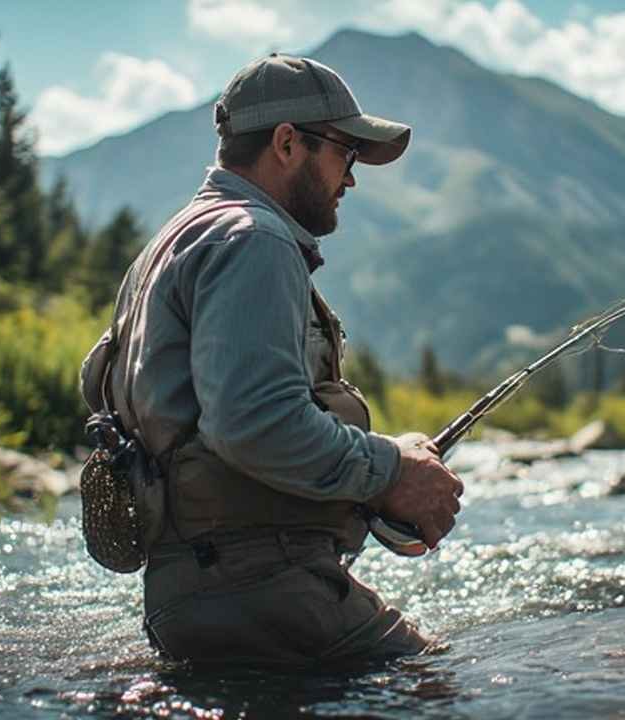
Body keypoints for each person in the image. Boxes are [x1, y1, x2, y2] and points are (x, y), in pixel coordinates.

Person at [83, 54, 464, 667]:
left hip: (186, 598)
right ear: (288, 142)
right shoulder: (254, 239)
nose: (353, 177)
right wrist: (392, 469)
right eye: (345, 152)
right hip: (263, 587)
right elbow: (254, 423)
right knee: (441, 682)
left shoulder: (171, 242)